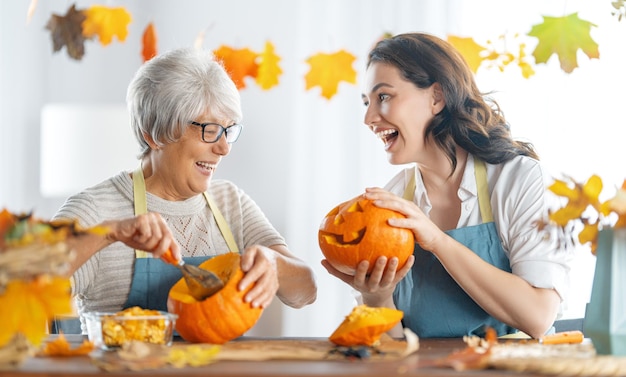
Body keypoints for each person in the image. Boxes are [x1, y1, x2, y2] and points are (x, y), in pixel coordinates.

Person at [321, 32, 572, 339]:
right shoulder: (394, 199)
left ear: (436, 97)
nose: (369, 117)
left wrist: (437, 241)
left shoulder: (517, 179)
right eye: (366, 102)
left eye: (383, 97)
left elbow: (538, 315)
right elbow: (393, 349)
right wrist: (377, 297)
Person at [54, 47, 317, 331]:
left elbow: (306, 292)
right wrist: (109, 234)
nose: (224, 147)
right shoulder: (94, 210)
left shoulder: (231, 202)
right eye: (209, 130)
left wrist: (274, 263)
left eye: (228, 130)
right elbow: (21, 287)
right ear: (155, 133)